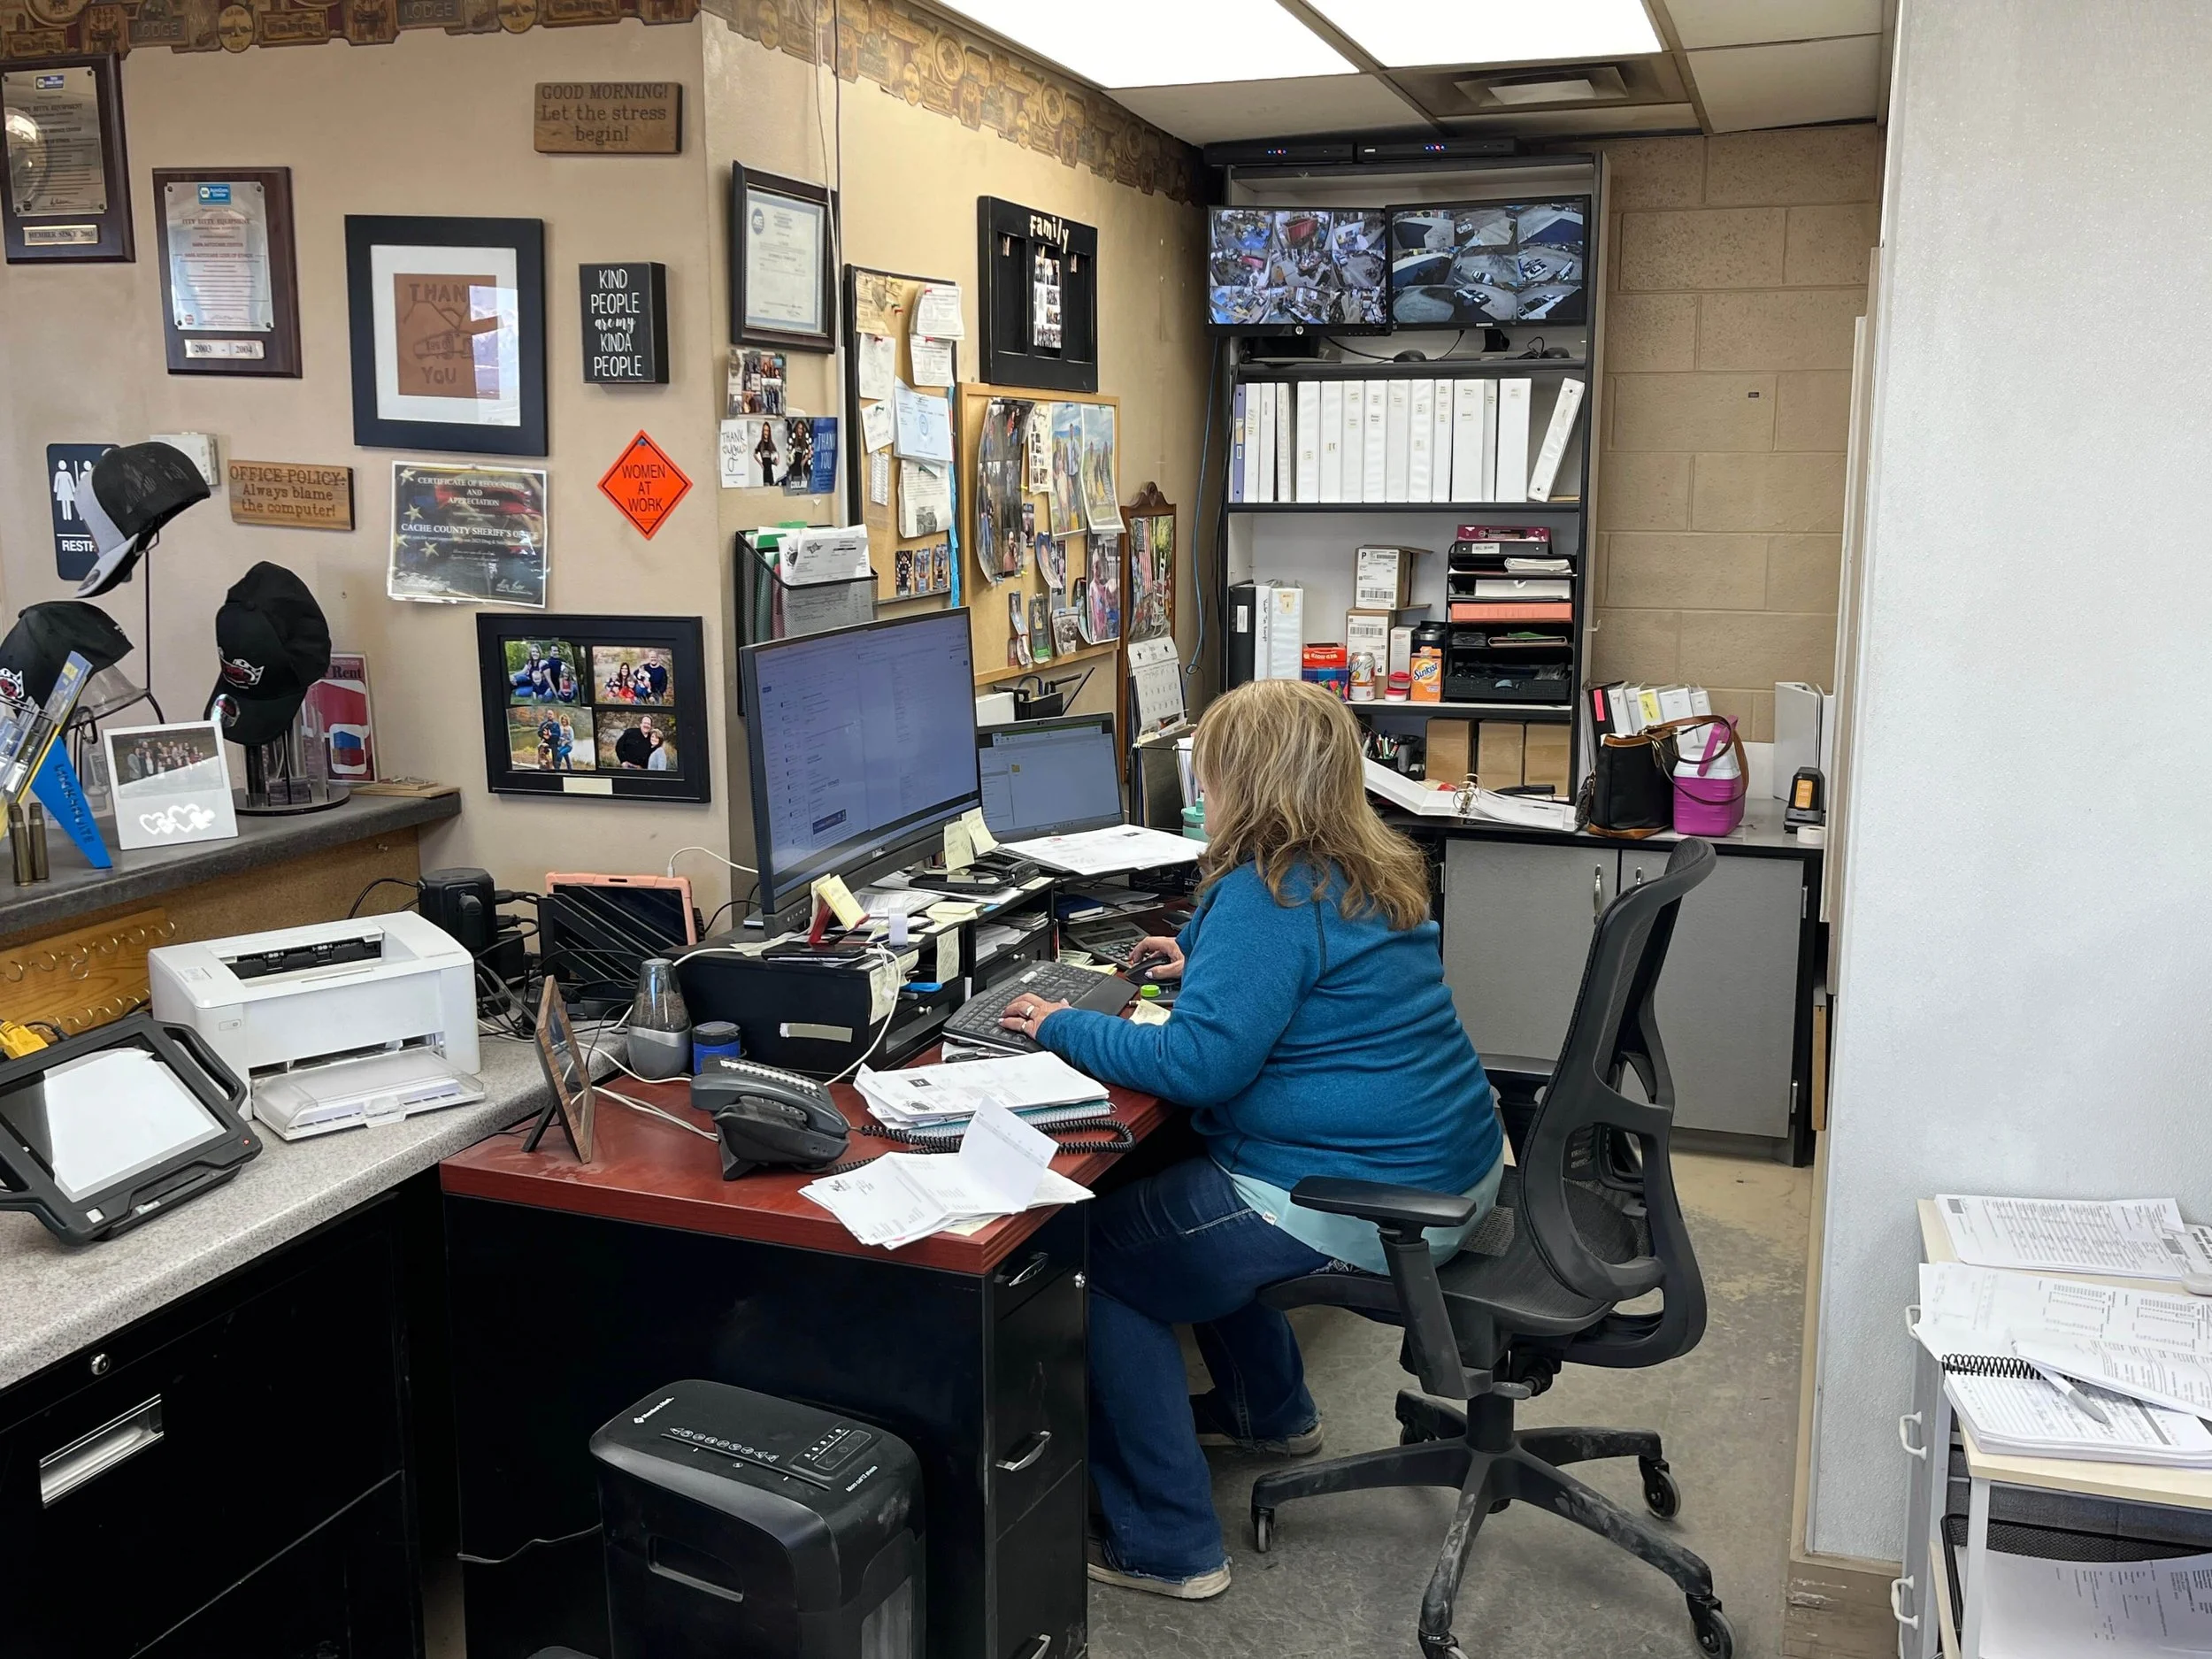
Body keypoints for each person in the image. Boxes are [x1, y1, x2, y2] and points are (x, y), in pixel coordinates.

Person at [997, 680, 1503, 1601]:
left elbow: (1197, 1067)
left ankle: (1168, 1545)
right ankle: (1269, 1414)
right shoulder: (1363, 866)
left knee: (1095, 1259)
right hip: (1454, 1170)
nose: (1203, 789)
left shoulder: (1264, 896)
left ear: (1247, 783)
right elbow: (1316, 980)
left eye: (1212, 771)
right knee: (1177, 1204)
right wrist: (1206, 965)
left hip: (1359, 1200)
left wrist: (1053, 1022)